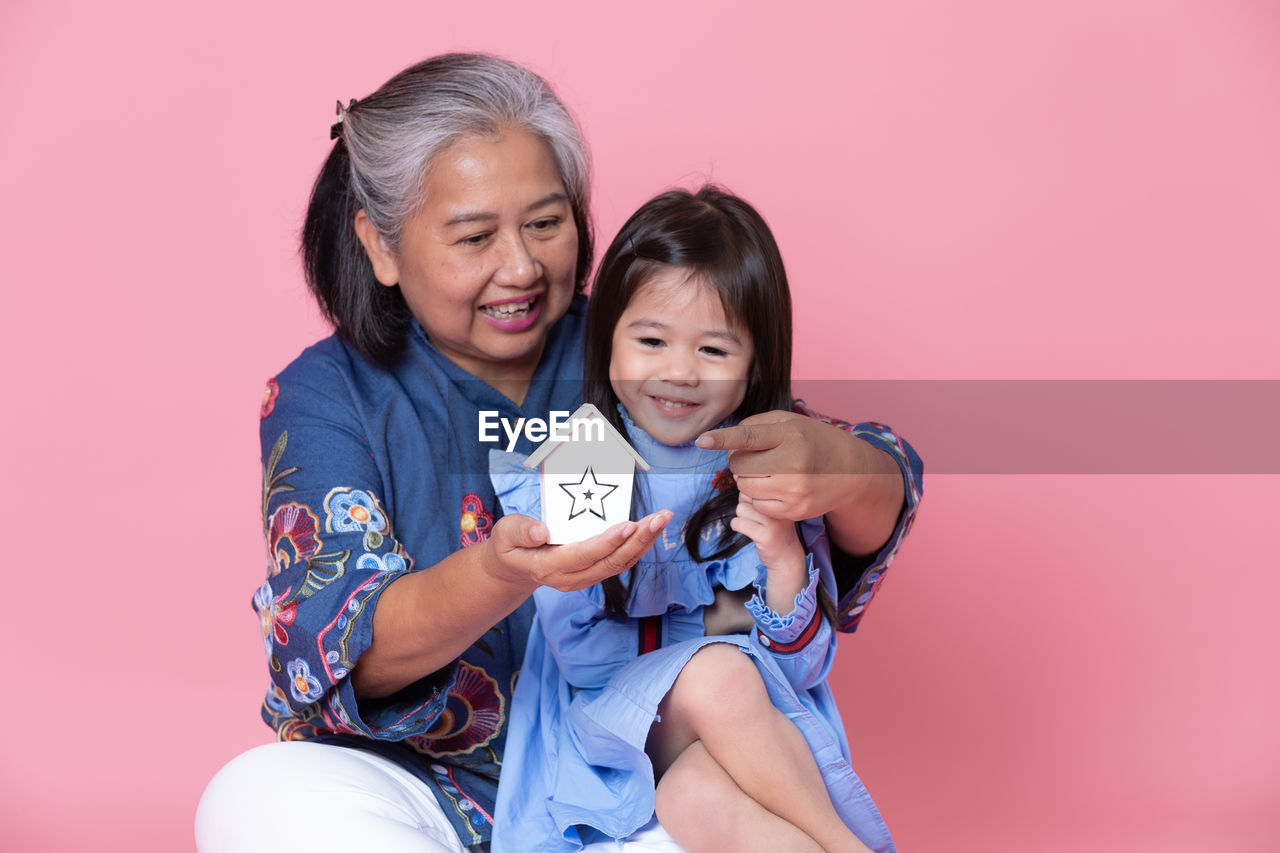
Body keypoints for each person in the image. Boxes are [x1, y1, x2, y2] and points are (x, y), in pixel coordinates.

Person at [195, 53, 922, 853]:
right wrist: (504, 572)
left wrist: (834, 466)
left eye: (545, 223)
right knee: (255, 799)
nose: (522, 266)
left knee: (716, 806)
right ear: (382, 245)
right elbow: (334, 646)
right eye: (474, 236)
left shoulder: (640, 346)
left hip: (627, 784)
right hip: (425, 790)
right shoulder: (329, 394)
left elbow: (848, 487)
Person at [488, 187, 898, 853]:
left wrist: (787, 559)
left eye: (713, 351)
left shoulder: (767, 465)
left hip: (728, 741)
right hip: (613, 723)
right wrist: (699, 651)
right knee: (721, 672)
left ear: (754, 363)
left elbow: (802, 674)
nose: (678, 372)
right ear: (609, 341)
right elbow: (585, 659)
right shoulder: (581, 461)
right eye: (651, 339)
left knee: (697, 797)